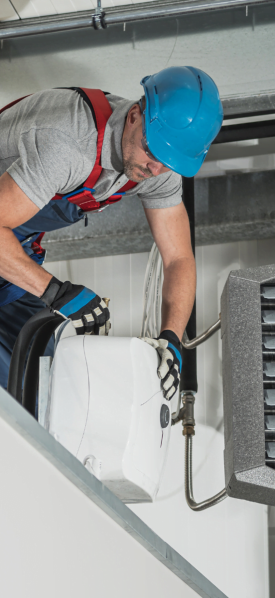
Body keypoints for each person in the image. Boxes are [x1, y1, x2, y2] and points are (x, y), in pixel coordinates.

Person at [0, 66, 223, 401]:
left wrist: (173, 340)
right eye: (153, 152)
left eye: (169, 162)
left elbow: (178, 257)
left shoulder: (157, 164)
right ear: (134, 115)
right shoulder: (67, 144)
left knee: (43, 375)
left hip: (13, 248)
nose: (156, 169)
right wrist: (55, 292)